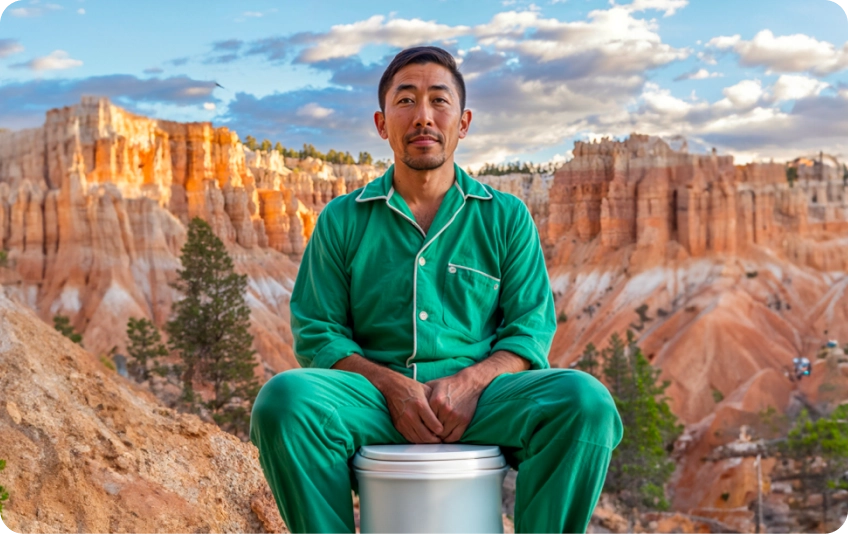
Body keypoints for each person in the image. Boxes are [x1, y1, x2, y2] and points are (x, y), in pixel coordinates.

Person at [250, 46, 623, 534]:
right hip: (374, 401)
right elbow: (318, 331)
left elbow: (529, 329)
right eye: (406, 100)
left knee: (585, 402)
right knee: (284, 401)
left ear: (463, 123)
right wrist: (392, 387)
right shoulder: (342, 218)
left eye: (439, 101)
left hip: (484, 402)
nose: (423, 116)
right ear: (382, 123)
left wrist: (471, 383)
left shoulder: (506, 217)